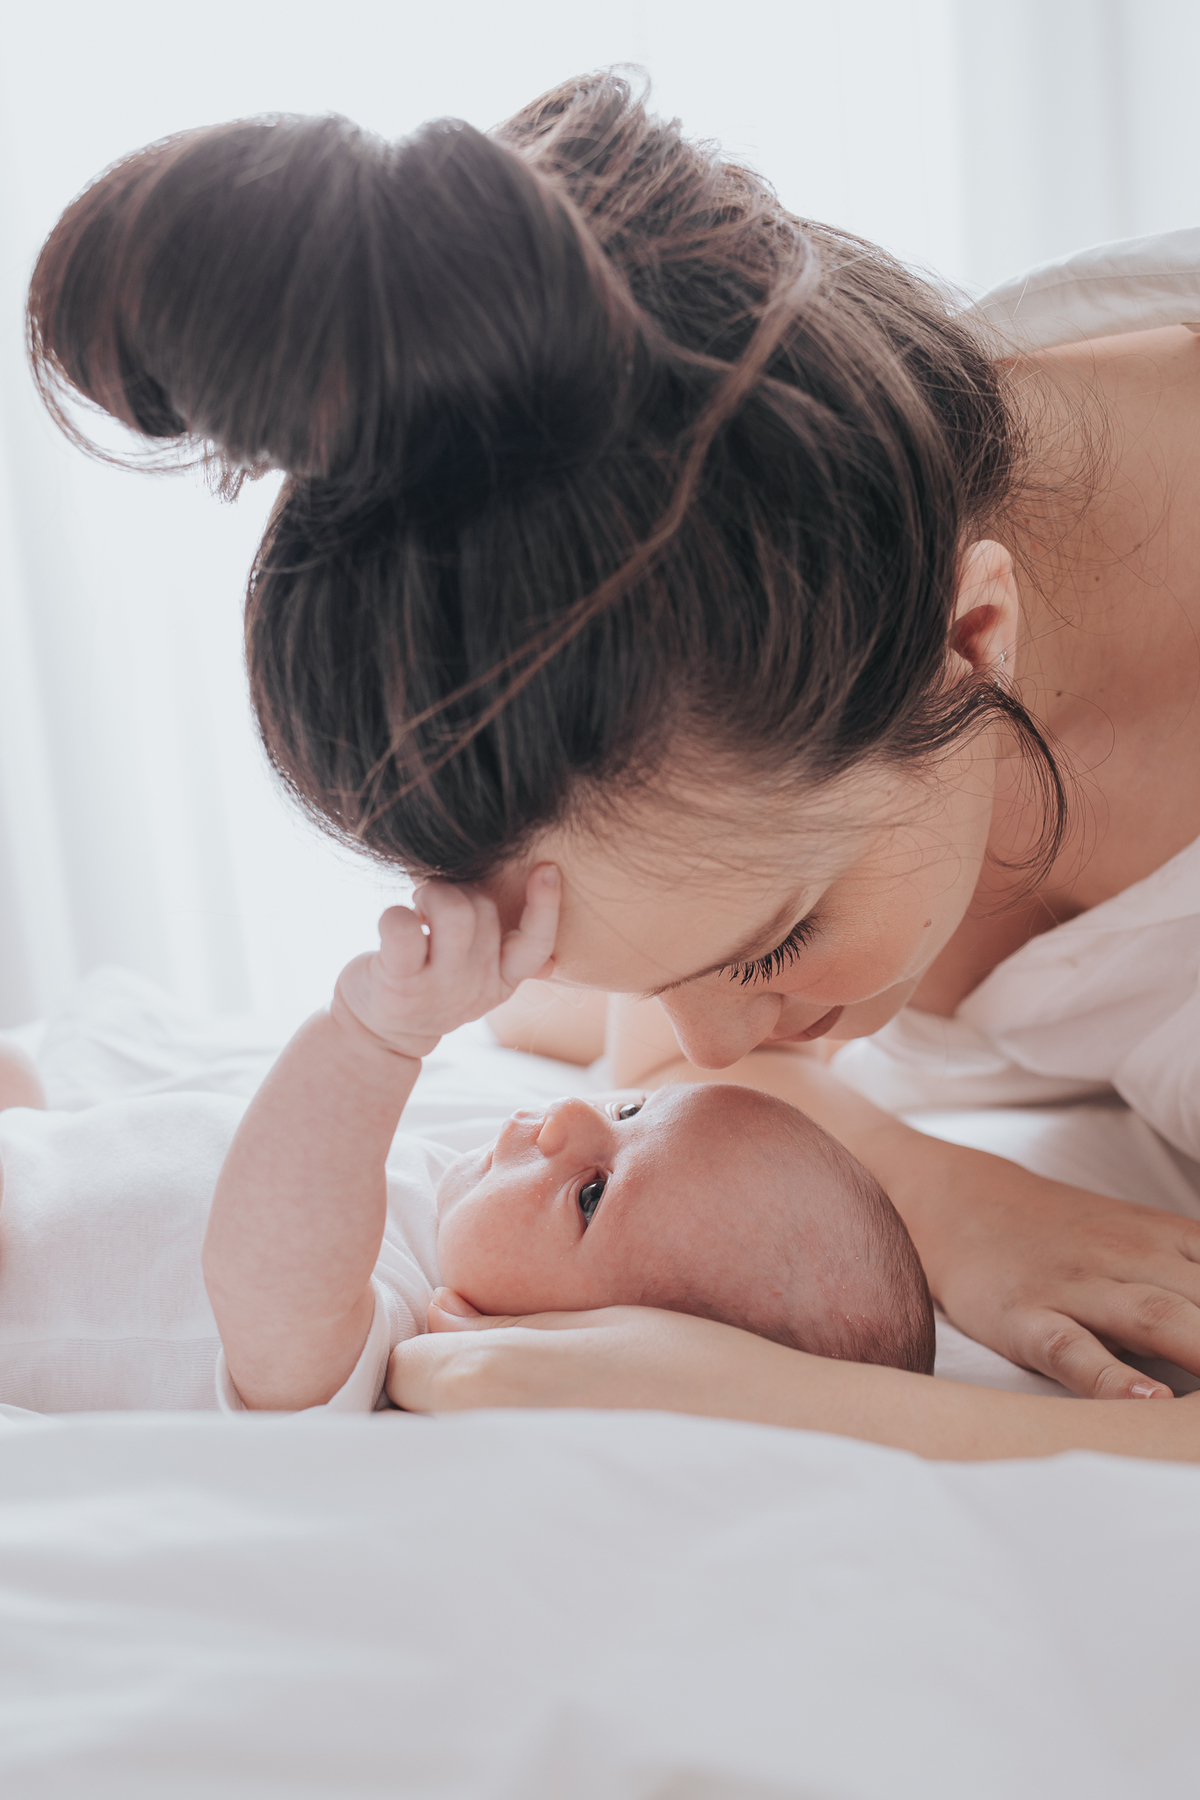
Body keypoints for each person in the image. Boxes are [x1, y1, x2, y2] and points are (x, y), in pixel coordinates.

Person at [24, 73, 1200, 1455]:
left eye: (774, 943)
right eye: (653, 975)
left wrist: (778, 1398)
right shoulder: (836, 504)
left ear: (972, 638)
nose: (702, 1055)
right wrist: (934, 1196)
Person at [205, 870, 934, 1411]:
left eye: (592, 1196)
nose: (573, 1115)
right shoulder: (464, 1221)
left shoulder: (397, 1336)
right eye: (631, 1112)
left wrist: (369, 1044)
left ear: (571, 1345)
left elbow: (271, 1294)